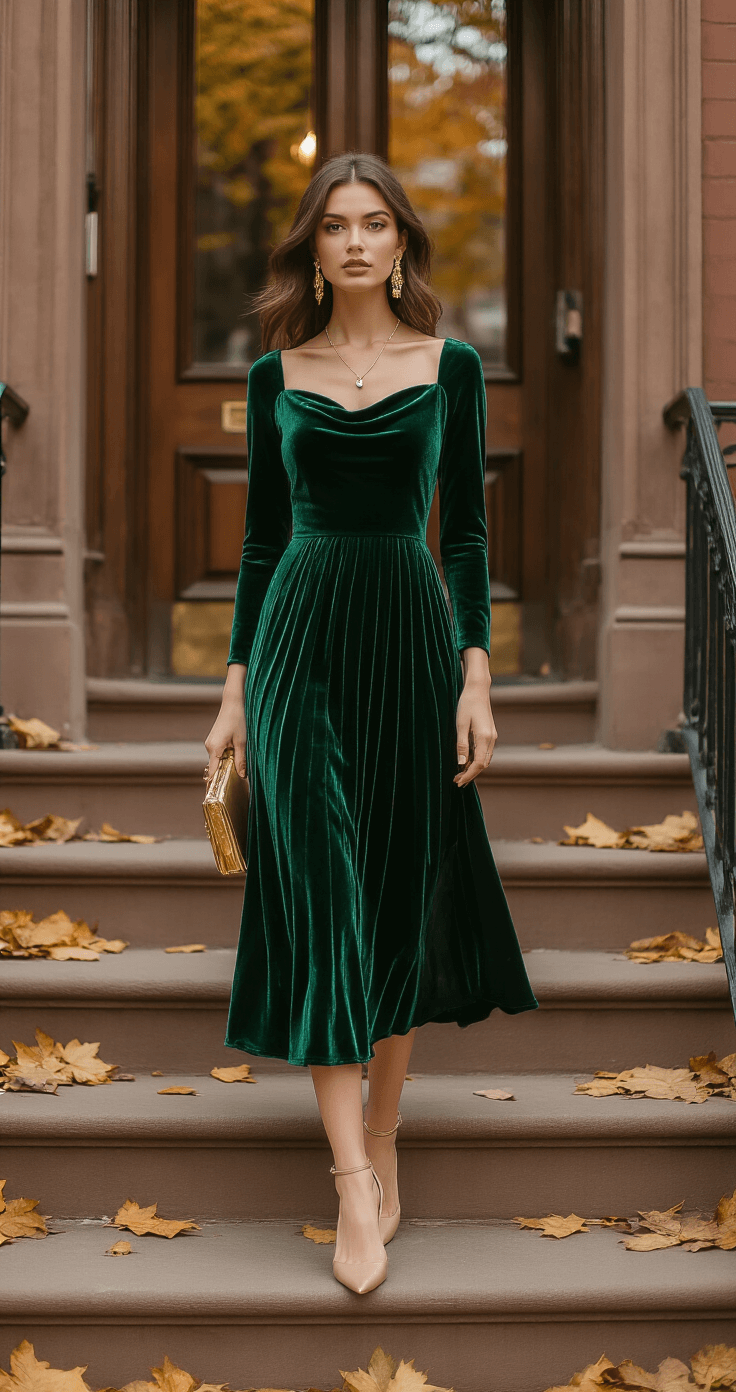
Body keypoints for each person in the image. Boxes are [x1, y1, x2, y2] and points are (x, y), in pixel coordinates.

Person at [205, 151, 538, 1296]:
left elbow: (465, 538)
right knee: (321, 895)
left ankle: (383, 1133)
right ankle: (350, 1178)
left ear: (401, 244)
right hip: (298, 646)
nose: (354, 241)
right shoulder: (273, 375)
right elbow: (259, 543)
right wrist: (234, 691)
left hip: (408, 643)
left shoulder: (451, 367)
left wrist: (475, 678)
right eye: (335, 225)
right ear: (312, 247)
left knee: (393, 893)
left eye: (374, 223)